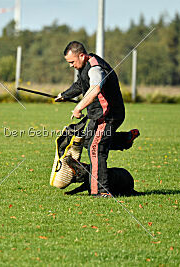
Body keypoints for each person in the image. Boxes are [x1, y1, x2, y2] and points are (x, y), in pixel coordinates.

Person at [55, 41, 126, 197]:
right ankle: (124, 139)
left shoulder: (96, 69)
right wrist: (64, 95)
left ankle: (101, 191)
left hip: (108, 115)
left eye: (72, 62)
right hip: (97, 114)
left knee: (96, 148)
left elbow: (95, 89)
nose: (70, 66)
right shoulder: (84, 66)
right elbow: (81, 85)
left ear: (82, 55)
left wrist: (79, 107)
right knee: (87, 140)